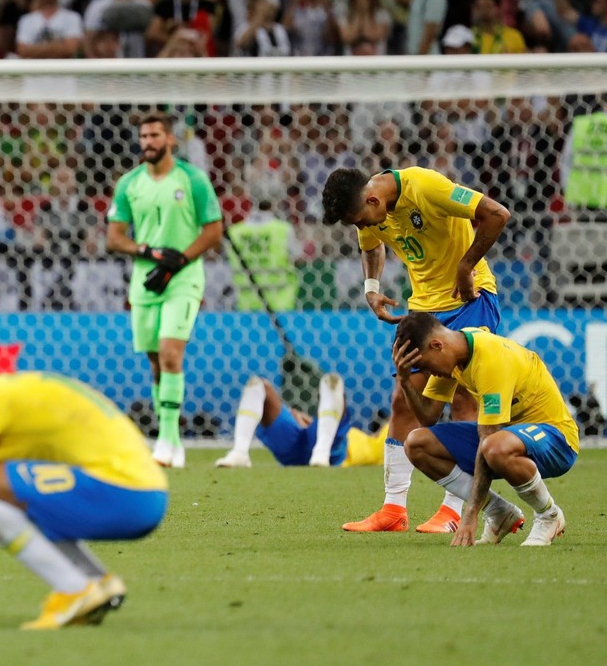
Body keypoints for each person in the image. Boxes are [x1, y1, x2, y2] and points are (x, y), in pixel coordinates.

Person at [0, 372, 168, 630]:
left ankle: (73, 589)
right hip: (147, 493)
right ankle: (96, 581)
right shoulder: (10, 395)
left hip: (122, 492)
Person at [321, 166, 510, 533]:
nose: (362, 228)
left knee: (463, 402)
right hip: (423, 308)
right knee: (402, 399)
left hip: (469, 299)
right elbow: (371, 243)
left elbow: (497, 214)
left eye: (361, 220)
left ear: (373, 199)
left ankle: (455, 510)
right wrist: (371, 288)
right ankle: (393, 510)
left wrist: (466, 265)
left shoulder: (427, 187)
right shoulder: (370, 210)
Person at [393, 312, 579, 546]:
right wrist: (404, 380)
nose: (430, 373)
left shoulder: (490, 359)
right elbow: (428, 418)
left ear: (437, 345)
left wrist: (469, 515)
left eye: (425, 365)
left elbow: (489, 437)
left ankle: (548, 514)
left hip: (556, 440)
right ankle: (500, 512)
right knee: (417, 444)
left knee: (493, 445)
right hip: (507, 438)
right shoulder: (455, 354)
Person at [105, 111, 223, 468]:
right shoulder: (129, 183)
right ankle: (169, 438)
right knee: (155, 361)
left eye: (155, 136)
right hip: (146, 279)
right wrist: (148, 252)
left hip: (183, 279)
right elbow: (114, 237)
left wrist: (179, 261)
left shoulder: (193, 179)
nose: (148, 143)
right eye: (143, 137)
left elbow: (213, 230)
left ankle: (168, 440)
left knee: (171, 354)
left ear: (171, 139)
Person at [215, 373, 388, 469]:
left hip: (333, 452)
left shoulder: (380, 446)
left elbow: (396, 422)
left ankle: (322, 453)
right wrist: (308, 424)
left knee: (332, 382)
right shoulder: (377, 436)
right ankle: (239, 453)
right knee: (258, 385)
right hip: (308, 436)